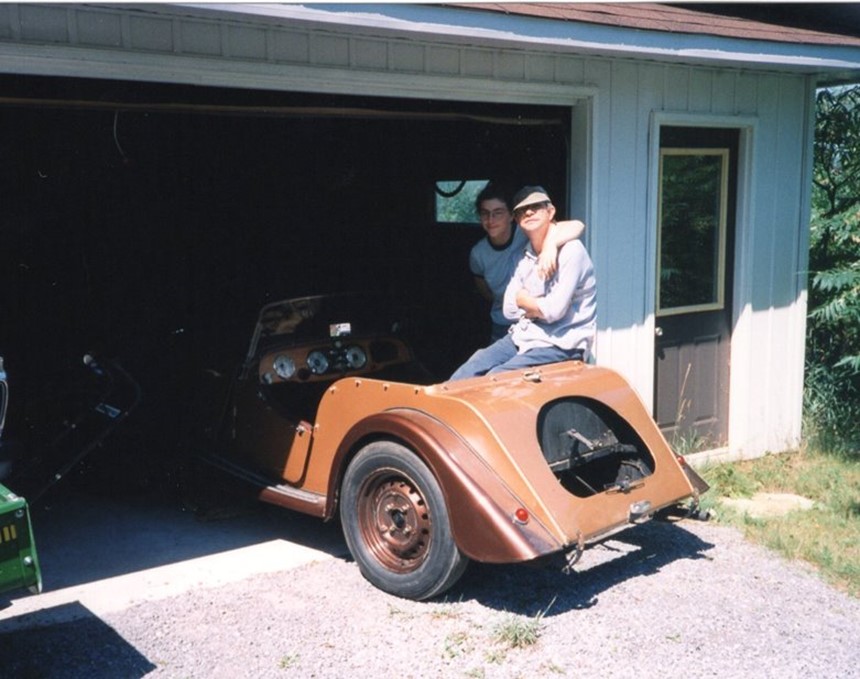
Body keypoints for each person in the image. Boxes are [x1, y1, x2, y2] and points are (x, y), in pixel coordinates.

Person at [450, 185, 596, 380]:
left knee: (496, 377)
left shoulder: (571, 251)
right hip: (524, 334)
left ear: (550, 211)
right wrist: (535, 305)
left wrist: (526, 299)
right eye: (522, 210)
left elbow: (553, 311)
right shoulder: (523, 254)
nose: (528, 211)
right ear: (517, 219)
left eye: (536, 206)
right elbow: (509, 309)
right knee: (472, 366)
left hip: (560, 343)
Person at [469, 182, 585, 341]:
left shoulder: (525, 232)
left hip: (535, 319)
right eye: (485, 213)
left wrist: (550, 245)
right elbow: (485, 291)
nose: (491, 220)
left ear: (512, 216)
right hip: (502, 321)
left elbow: (576, 225)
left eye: (498, 213)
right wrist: (512, 301)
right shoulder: (478, 253)